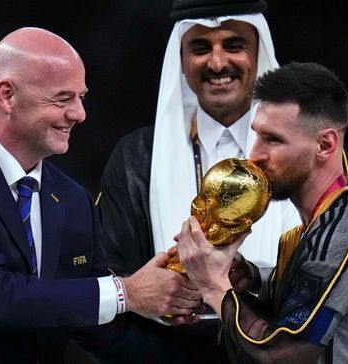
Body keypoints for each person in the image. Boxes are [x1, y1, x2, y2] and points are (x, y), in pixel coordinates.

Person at [0, 27, 201, 364]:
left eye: (81, 97)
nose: (79, 114)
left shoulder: (73, 200)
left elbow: (96, 323)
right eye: (63, 98)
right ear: (7, 95)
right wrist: (128, 292)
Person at [98, 0, 300, 361]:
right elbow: (107, 289)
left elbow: (327, 276)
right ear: (180, 58)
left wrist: (251, 277)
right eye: (200, 48)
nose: (218, 62)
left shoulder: (299, 158)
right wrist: (142, 293)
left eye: (234, 45)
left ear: (259, 53)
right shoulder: (136, 159)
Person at [176, 62, 348, 363]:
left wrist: (214, 285)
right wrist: (254, 278)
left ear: (325, 145)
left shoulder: (341, 239)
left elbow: (281, 354)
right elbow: (309, 296)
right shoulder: (330, 215)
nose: (254, 155)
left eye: (273, 139)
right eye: (256, 135)